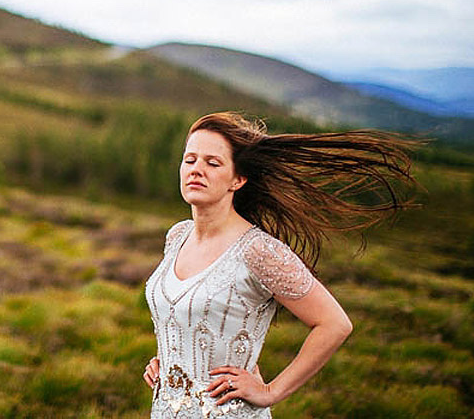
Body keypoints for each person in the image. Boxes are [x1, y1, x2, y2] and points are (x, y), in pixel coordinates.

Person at [142, 112, 417, 418]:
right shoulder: (177, 236)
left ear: (238, 179)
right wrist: (167, 359)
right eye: (190, 159)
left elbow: (335, 324)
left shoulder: (259, 251)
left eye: (212, 163)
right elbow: (185, 319)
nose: (196, 170)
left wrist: (272, 391)